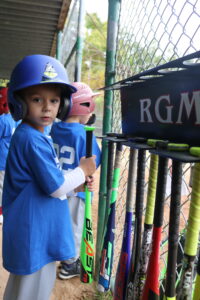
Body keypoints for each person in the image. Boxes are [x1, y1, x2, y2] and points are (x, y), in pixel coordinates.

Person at [2, 55, 96, 300]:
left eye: (54, 100)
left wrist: (76, 182)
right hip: (34, 233)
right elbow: (55, 187)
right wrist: (83, 170)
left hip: (36, 231)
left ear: (63, 104)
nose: (47, 107)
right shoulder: (32, 138)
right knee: (30, 292)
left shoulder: (36, 134)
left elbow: (49, 179)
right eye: (36, 99)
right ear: (18, 102)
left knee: (32, 289)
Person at [50, 82, 101, 280]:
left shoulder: (53, 129)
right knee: (74, 224)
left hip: (57, 184)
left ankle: (61, 256)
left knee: (59, 222)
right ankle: (70, 264)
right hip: (77, 188)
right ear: (83, 106)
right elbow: (93, 163)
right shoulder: (83, 133)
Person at [0, 86, 19, 224]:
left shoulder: (3, 120)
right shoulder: (16, 119)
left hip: (1, 160)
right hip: (10, 159)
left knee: (1, 187)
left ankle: (1, 213)